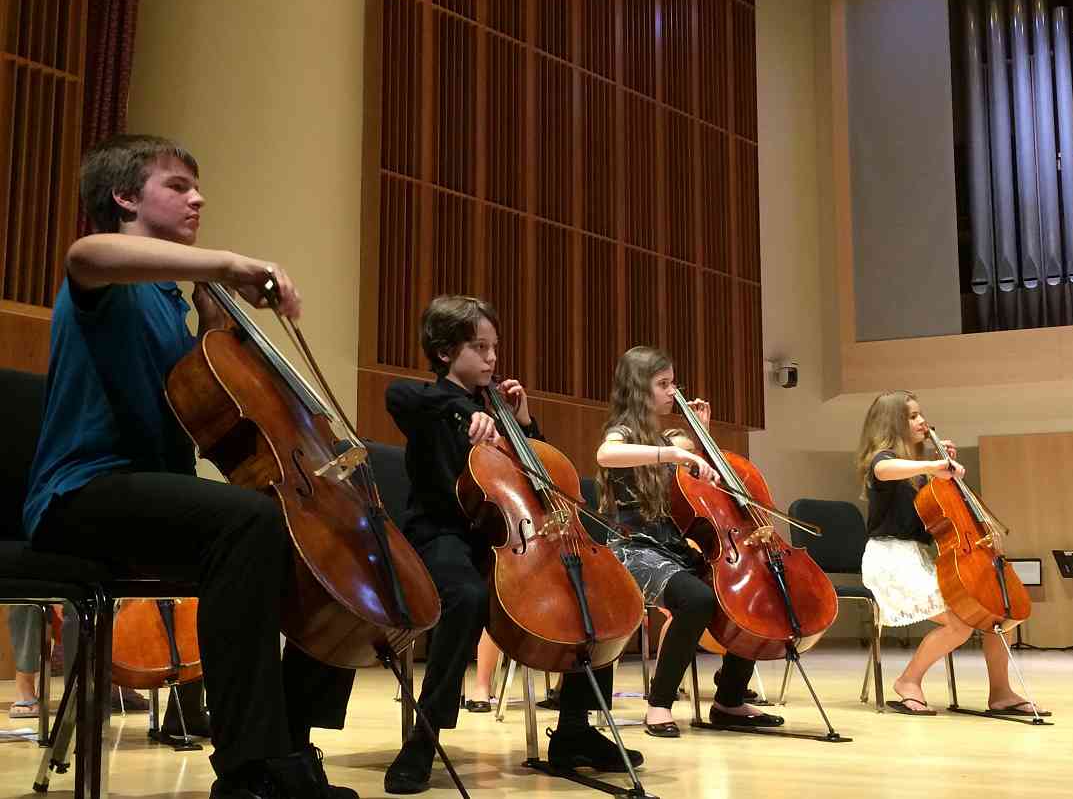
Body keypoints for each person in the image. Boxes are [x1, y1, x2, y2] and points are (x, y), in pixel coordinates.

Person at [22, 134, 358, 798]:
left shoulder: (173, 304)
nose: (197, 197)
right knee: (250, 523)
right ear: (124, 197)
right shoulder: (106, 278)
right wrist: (229, 264)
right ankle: (245, 770)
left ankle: (288, 743)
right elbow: (85, 253)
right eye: (177, 185)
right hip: (81, 496)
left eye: (196, 186)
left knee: (331, 548)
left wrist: (213, 316)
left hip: (151, 499)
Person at [383, 295, 643, 794]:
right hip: (445, 534)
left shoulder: (496, 408)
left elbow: (540, 475)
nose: (492, 358)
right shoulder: (430, 406)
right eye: (479, 348)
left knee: (587, 592)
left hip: (510, 537)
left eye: (494, 347)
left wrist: (523, 424)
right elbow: (398, 395)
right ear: (443, 352)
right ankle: (424, 736)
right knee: (467, 597)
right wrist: (464, 413)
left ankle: (574, 732)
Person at [595, 346, 784, 738]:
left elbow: (701, 490)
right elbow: (606, 454)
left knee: (747, 590)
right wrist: (674, 453)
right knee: (697, 600)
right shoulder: (625, 433)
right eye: (662, 384)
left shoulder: (670, 439)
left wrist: (702, 438)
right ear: (638, 388)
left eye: (671, 383)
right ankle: (659, 705)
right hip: (636, 549)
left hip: (673, 548)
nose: (671, 391)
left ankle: (728, 699)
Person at [857, 390, 1047, 716]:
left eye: (920, 414)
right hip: (889, 560)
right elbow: (883, 469)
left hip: (918, 557)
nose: (922, 421)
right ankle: (908, 681)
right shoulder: (883, 461)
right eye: (913, 416)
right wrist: (933, 464)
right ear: (894, 422)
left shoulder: (917, 469)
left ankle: (1000, 693)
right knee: (960, 622)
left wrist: (940, 472)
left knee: (997, 612)